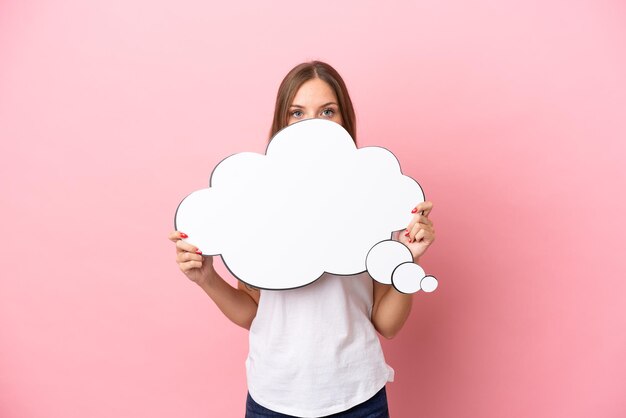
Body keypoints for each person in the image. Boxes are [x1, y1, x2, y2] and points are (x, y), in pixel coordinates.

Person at [168, 61, 436, 417]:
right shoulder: (253, 204)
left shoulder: (375, 201)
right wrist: (206, 278)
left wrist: (409, 259)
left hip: (358, 396)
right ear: (282, 123)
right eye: (298, 113)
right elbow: (254, 312)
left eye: (327, 111)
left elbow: (387, 324)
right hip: (273, 398)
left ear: (345, 121)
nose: (312, 124)